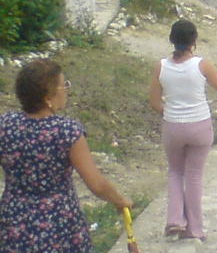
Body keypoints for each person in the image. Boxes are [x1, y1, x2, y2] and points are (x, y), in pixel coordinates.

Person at [0, 59, 132, 252]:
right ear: (48, 96)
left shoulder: (5, 125)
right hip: (59, 222)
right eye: (64, 85)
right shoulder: (66, 131)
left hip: (14, 219)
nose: (66, 90)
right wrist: (120, 201)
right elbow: (95, 182)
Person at [149, 19, 217, 242]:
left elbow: (154, 101)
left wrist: (171, 113)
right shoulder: (201, 65)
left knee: (176, 172)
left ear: (171, 40)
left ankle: (175, 220)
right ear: (193, 41)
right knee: (194, 176)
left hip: (173, 126)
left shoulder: (161, 67)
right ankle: (194, 229)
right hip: (199, 126)